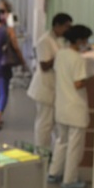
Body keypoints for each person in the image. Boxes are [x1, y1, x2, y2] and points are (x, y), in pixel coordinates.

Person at [47, 24, 94, 188]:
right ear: (79, 40)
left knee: (61, 141)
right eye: (86, 40)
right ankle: (69, 180)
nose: (87, 43)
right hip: (75, 108)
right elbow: (78, 83)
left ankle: (54, 173)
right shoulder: (78, 59)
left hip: (62, 106)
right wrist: (91, 77)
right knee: (75, 146)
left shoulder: (61, 54)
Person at [26, 13, 73, 149]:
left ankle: (46, 151)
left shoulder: (58, 40)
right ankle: (41, 153)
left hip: (53, 89)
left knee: (50, 123)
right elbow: (44, 65)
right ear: (57, 25)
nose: (68, 29)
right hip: (45, 88)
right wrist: (62, 56)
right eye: (66, 26)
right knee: (44, 124)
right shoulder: (44, 41)